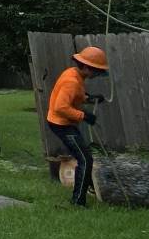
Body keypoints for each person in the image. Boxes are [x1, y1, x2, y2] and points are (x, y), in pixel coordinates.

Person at [46, 46, 108, 207]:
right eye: (96, 70)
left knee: (85, 158)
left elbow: (75, 95)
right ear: (86, 67)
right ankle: (78, 202)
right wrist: (84, 116)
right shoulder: (71, 81)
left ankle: (85, 193)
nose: (97, 74)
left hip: (63, 122)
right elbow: (61, 107)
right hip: (61, 124)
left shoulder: (74, 73)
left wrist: (89, 98)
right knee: (85, 159)